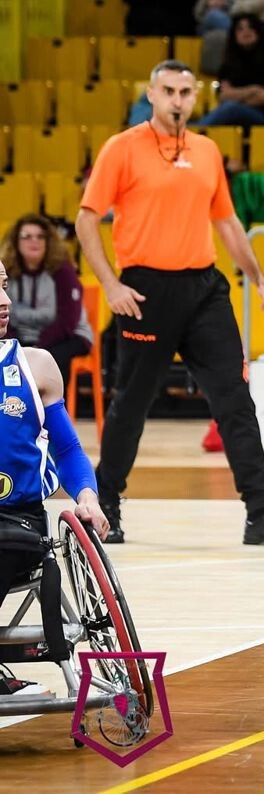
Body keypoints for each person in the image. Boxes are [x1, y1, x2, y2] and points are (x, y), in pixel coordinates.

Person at [75, 61, 264, 546]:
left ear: (195, 97)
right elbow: (86, 219)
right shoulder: (122, 148)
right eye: (169, 91)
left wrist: (258, 279)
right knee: (131, 405)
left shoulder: (206, 151)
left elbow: (226, 223)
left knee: (235, 400)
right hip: (144, 291)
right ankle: (107, 506)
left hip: (204, 288)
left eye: (186, 92)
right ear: (152, 94)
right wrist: (111, 286)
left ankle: (259, 513)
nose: (178, 100)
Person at [0, 256, 110, 698]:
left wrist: (88, 496)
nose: (4, 301)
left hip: (17, 524)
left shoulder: (36, 365)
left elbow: (66, 449)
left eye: (5, 286)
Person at [0, 216, 94, 382]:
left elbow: (67, 321)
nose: (34, 241)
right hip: (20, 336)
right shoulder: (5, 271)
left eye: (40, 236)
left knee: (50, 359)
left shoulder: (63, 271)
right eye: (26, 236)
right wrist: (16, 346)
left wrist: (38, 349)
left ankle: (52, 405)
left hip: (66, 335)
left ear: (48, 241)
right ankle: (12, 404)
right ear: (15, 241)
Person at [199, 13, 264, 127]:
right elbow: (223, 96)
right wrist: (253, 90)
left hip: (263, 116)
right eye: (240, 29)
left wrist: (234, 94)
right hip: (230, 112)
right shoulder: (228, 64)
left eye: (251, 27)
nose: (246, 32)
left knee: (230, 108)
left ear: (259, 31)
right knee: (229, 108)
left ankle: (190, 135)